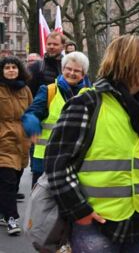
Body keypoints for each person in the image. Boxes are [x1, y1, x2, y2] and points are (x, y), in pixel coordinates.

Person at [45, 34, 139, 252]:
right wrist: (80, 211)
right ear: (134, 63)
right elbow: (57, 164)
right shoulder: (87, 103)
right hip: (96, 225)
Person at [23, 51, 91, 185]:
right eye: (68, 69)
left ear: (83, 74)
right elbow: (31, 113)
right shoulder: (49, 91)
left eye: (77, 70)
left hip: (77, 158)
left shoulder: (90, 95)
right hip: (46, 160)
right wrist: (32, 126)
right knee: (42, 204)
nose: (72, 73)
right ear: (62, 69)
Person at [0, 56, 32, 236]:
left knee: (16, 178)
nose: (11, 70)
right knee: (8, 182)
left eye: (14, 67)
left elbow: (32, 111)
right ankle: (12, 218)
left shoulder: (25, 90)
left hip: (22, 143)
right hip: (3, 142)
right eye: (7, 67)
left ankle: (3, 210)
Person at [28, 30, 65, 95]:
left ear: (63, 47)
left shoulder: (69, 67)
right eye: (49, 44)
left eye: (55, 44)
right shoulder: (35, 67)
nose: (51, 47)